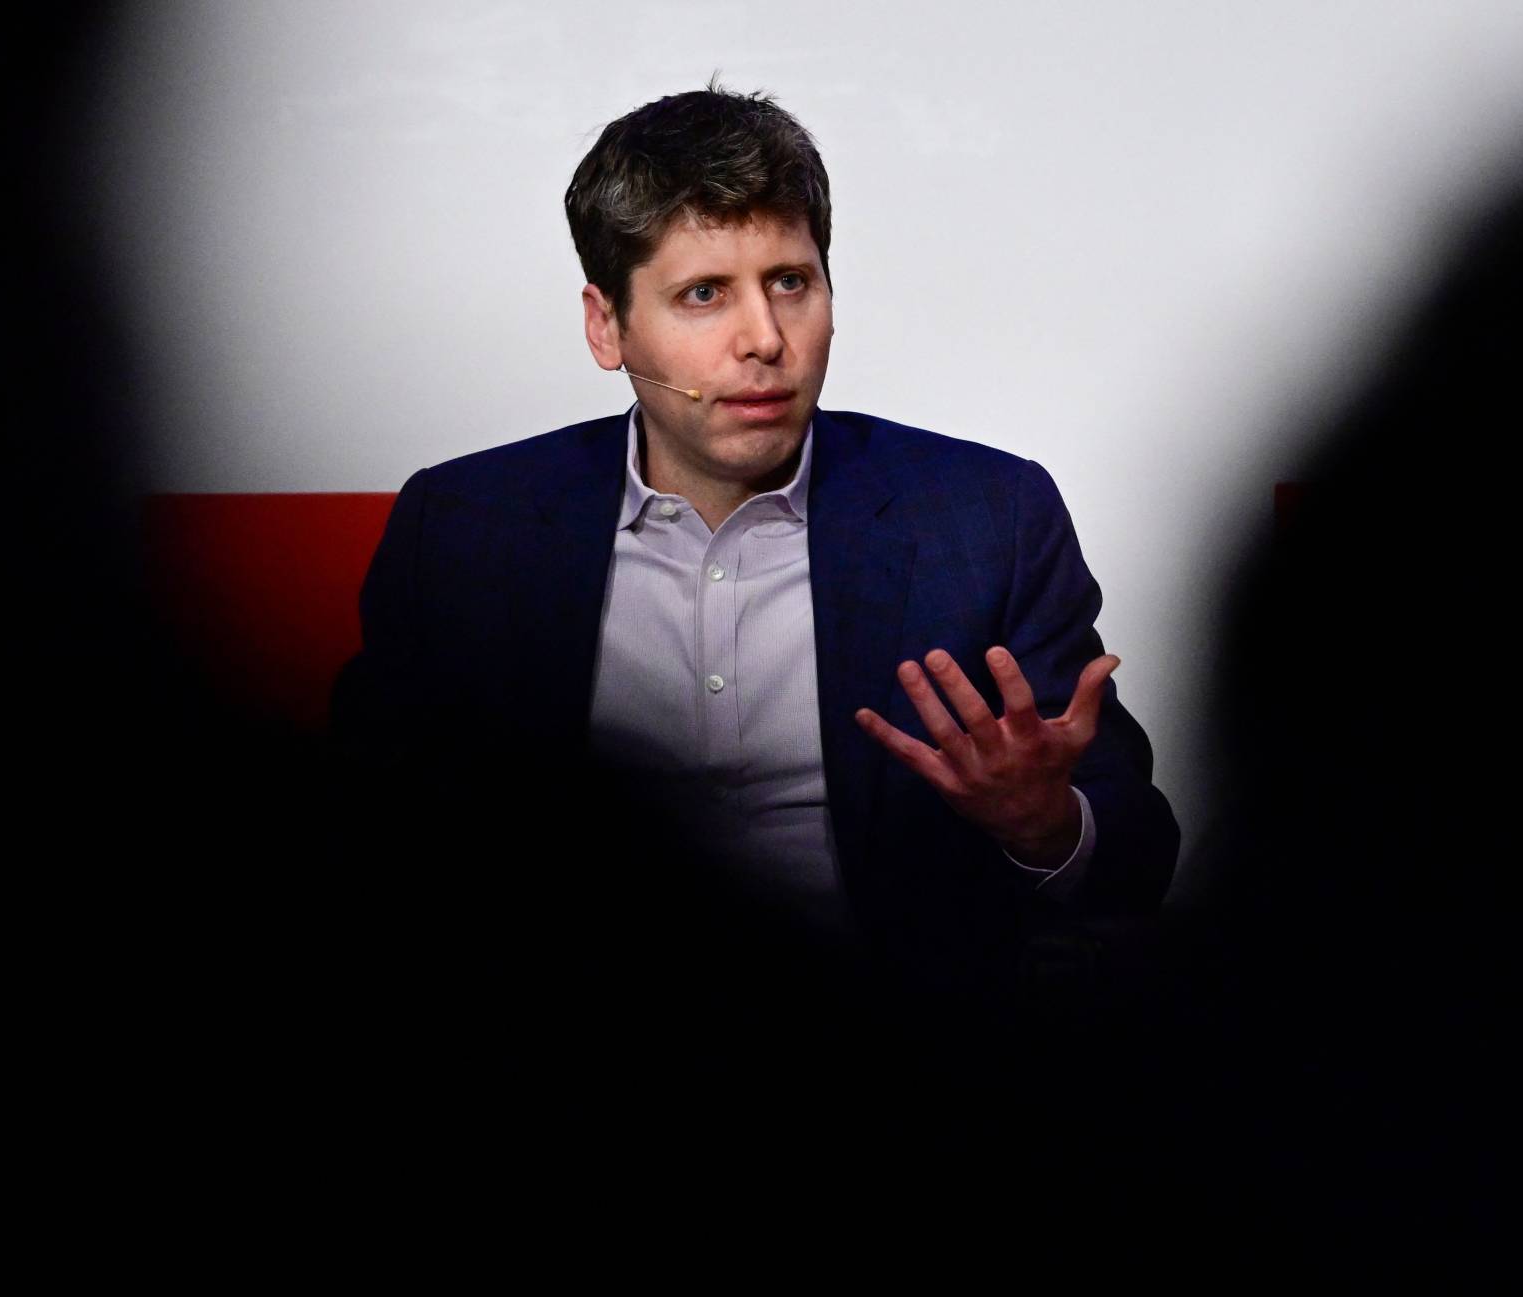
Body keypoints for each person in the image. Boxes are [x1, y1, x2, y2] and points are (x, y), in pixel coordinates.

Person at [333, 81, 1178, 1022]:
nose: (766, 340)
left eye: (790, 283)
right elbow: (367, 847)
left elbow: (1136, 852)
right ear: (607, 326)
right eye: (704, 295)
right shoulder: (463, 528)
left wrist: (1046, 827)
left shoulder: (987, 517)